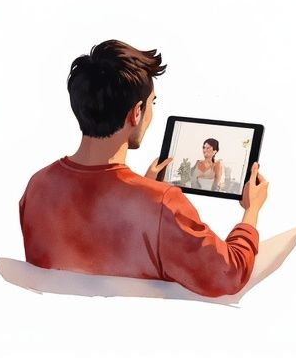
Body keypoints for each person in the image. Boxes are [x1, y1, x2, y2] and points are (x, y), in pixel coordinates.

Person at [19, 40, 270, 297]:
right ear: (136, 112)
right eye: (153, 103)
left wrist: (145, 187)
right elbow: (228, 274)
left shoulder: (38, 185)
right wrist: (251, 211)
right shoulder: (162, 203)